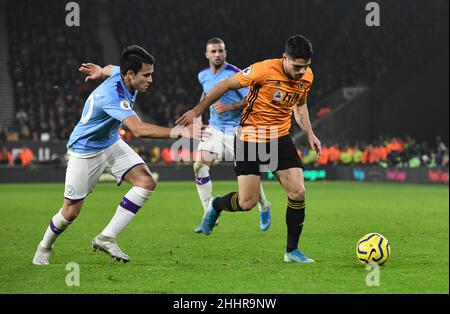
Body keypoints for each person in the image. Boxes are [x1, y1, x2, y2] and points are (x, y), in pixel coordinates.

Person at [33, 45, 201, 265]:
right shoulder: (111, 95)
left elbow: (111, 69)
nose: (150, 79)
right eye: (147, 75)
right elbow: (138, 129)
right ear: (131, 74)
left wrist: (99, 70)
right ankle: (44, 247)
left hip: (111, 143)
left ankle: (106, 237)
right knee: (70, 213)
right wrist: (181, 132)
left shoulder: (121, 73)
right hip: (85, 151)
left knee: (146, 182)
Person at [177, 34, 322, 263]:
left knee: (298, 192)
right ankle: (216, 204)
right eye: (297, 66)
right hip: (250, 136)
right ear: (285, 58)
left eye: (305, 67)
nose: (301, 72)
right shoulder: (262, 70)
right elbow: (224, 84)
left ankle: (291, 251)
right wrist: (197, 111)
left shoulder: (307, 76)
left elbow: (300, 106)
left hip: (280, 137)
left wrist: (311, 134)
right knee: (247, 203)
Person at [193, 38, 271, 233]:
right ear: (207, 54)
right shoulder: (202, 75)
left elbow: (252, 98)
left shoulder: (236, 73)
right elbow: (205, 95)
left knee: (248, 176)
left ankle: (264, 205)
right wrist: (198, 116)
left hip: (237, 130)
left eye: (220, 51)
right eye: (213, 51)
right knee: (199, 165)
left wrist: (230, 106)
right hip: (214, 129)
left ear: (225, 53)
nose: (217, 54)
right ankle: (208, 213)